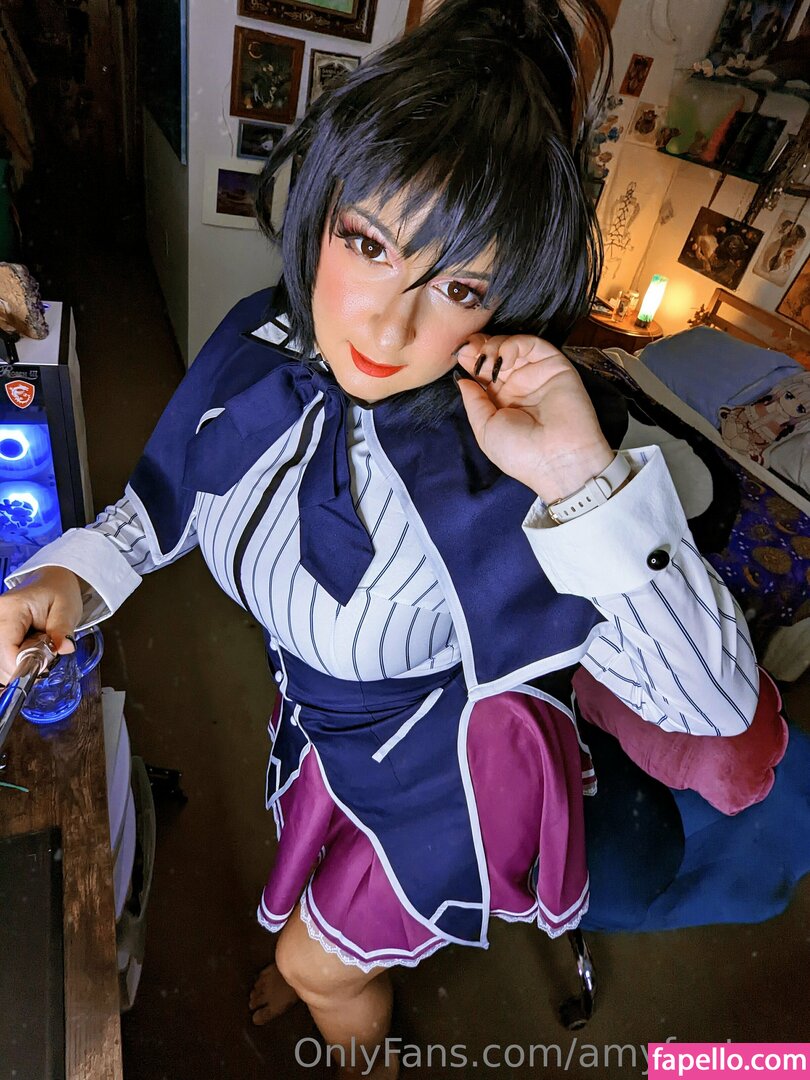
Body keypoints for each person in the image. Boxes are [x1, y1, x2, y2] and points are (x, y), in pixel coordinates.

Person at [0, 2, 805, 1076]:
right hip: (318, 723)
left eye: (460, 287)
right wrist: (66, 578)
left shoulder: (505, 477)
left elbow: (714, 715)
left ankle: (348, 1025)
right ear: (323, 209)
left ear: (505, 302)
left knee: (323, 966)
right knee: (312, 918)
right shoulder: (260, 340)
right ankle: (324, 969)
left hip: (447, 775)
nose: (385, 327)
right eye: (369, 244)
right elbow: (161, 507)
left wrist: (583, 480)